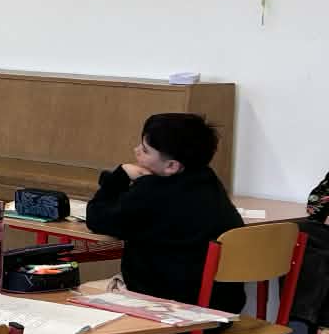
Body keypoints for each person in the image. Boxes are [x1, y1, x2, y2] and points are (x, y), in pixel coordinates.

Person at [86, 112, 244, 313]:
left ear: (171, 166)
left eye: (145, 150)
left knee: (77, 292)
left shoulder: (151, 191)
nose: (136, 151)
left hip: (171, 308)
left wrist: (120, 175)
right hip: (221, 309)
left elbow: (96, 217)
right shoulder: (209, 181)